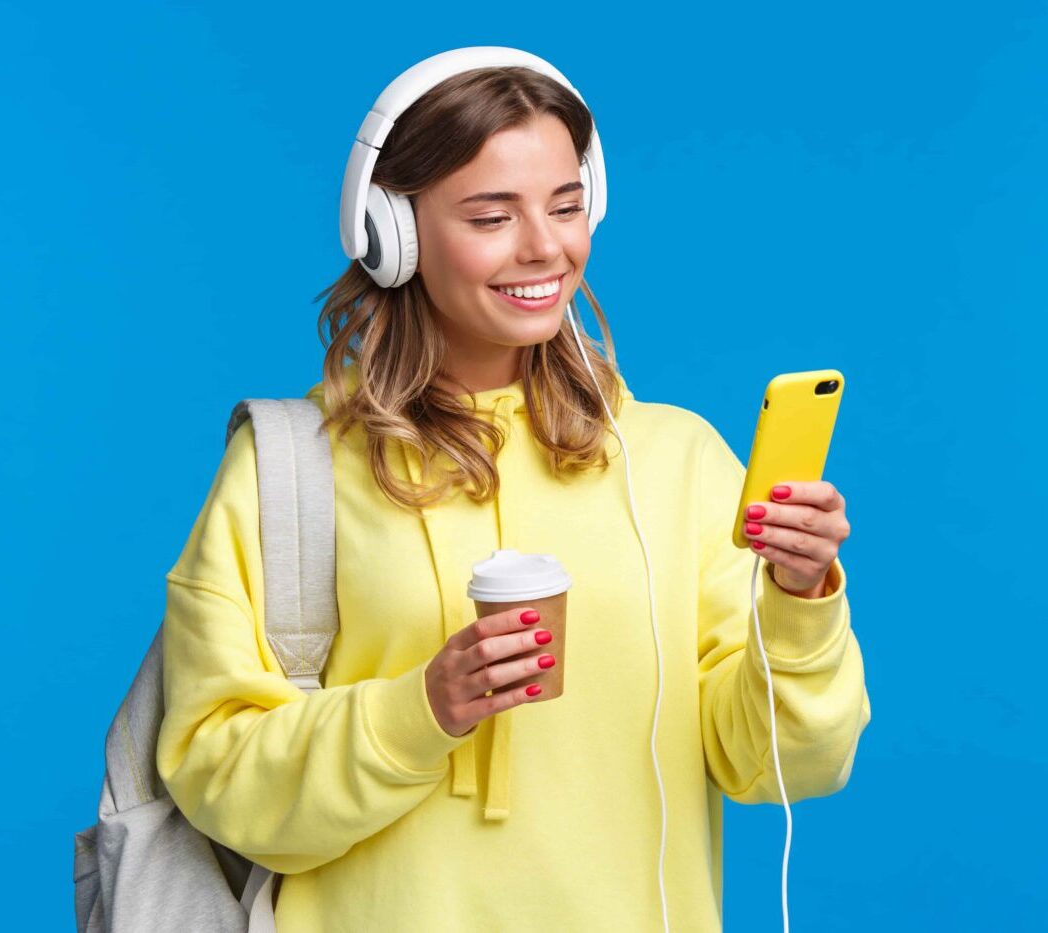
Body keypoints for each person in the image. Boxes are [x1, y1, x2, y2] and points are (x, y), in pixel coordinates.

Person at [156, 51, 871, 932]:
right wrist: (421, 710)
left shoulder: (675, 460)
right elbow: (218, 778)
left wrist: (799, 603)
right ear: (394, 232)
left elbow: (780, 765)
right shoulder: (289, 470)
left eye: (568, 207)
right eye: (492, 216)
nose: (545, 247)